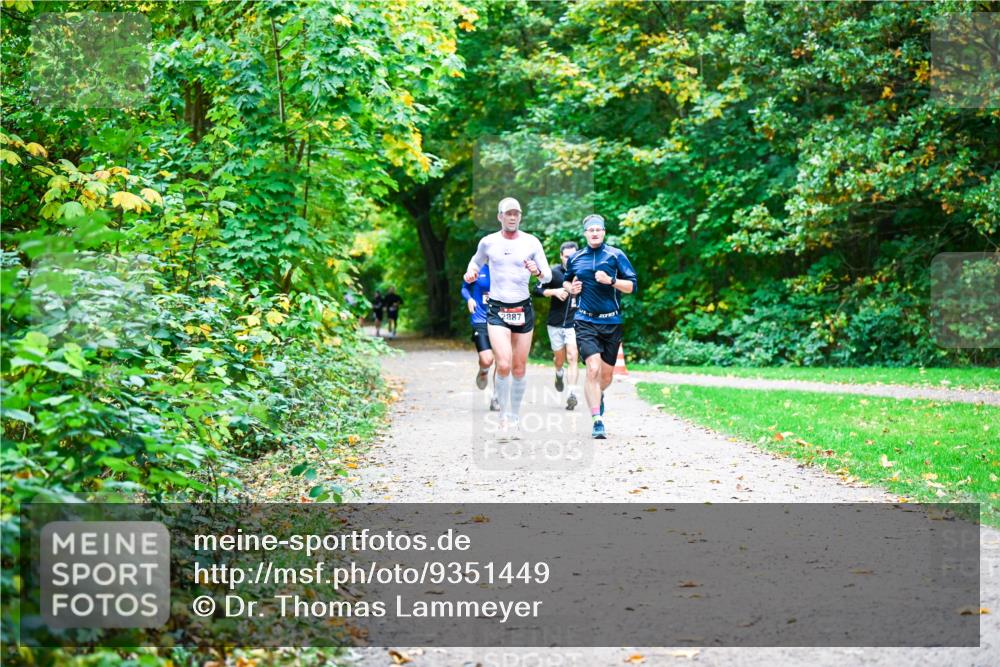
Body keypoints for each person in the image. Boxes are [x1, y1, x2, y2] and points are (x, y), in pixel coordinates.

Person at [464, 197, 552, 438]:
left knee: (519, 367)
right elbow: (475, 262)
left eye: (516, 213)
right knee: (503, 364)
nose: (512, 217)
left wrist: (537, 271)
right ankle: (504, 418)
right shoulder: (488, 242)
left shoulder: (531, 242)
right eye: (508, 213)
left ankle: (514, 417)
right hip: (497, 309)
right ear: (500, 216)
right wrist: (471, 272)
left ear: (520, 216)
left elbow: (546, 276)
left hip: (523, 308)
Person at [564, 214, 638, 439]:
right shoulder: (576, 258)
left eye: (598, 229)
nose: (594, 233)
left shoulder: (616, 255)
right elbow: (567, 280)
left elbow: (632, 287)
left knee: (605, 377)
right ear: (585, 233)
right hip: (585, 320)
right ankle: (597, 420)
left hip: (611, 322)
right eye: (590, 230)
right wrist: (571, 288)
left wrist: (612, 281)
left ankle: (598, 395)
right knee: (592, 369)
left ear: (604, 232)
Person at [534, 241, 580, 410]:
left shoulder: (582, 272)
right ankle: (559, 373)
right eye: (567, 256)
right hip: (555, 323)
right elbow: (536, 290)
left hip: (574, 323)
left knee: (573, 356)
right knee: (559, 359)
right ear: (561, 256)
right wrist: (554, 292)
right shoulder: (552, 273)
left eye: (573, 256)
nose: (570, 259)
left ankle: (572, 393)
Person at [460, 263, 501, 411]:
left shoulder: (506, 267)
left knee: (501, 360)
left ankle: (496, 398)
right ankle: (483, 370)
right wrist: (469, 299)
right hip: (480, 319)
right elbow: (464, 288)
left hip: (501, 319)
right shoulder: (477, 269)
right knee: (487, 359)